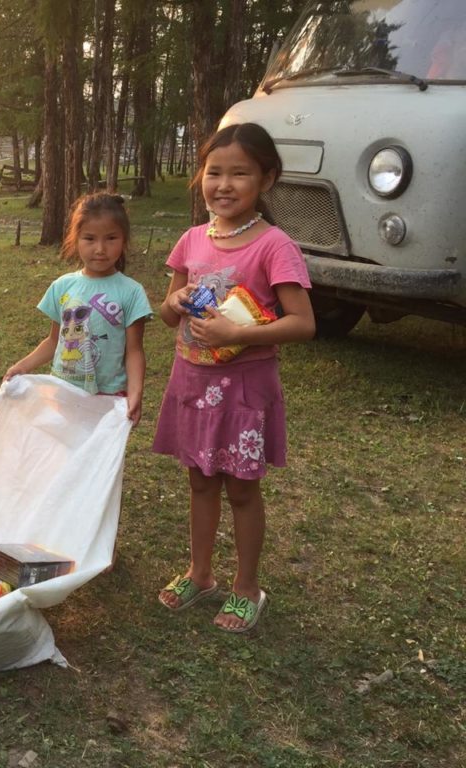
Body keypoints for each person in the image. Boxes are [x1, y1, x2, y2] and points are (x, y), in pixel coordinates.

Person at [152, 123, 315, 633]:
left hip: (244, 390)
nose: (223, 184)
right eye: (213, 172)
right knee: (200, 483)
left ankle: (247, 587)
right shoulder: (191, 239)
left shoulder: (274, 245)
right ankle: (201, 574)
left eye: (239, 173)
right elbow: (166, 311)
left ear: (266, 179)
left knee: (242, 490)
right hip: (193, 382)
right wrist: (175, 302)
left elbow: (303, 323)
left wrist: (237, 331)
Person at [4, 192, 151, 424]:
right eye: (90, 239)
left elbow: (134, 351)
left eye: (111, 238)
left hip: (108, 397)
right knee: (65, 455)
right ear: (75, 239)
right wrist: (21, 366)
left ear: (124, 240)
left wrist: (136, 393)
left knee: (101, 459)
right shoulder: (62, 287)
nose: (100, 248)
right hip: (64, 392)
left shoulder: (132, 292)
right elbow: (54, 341)